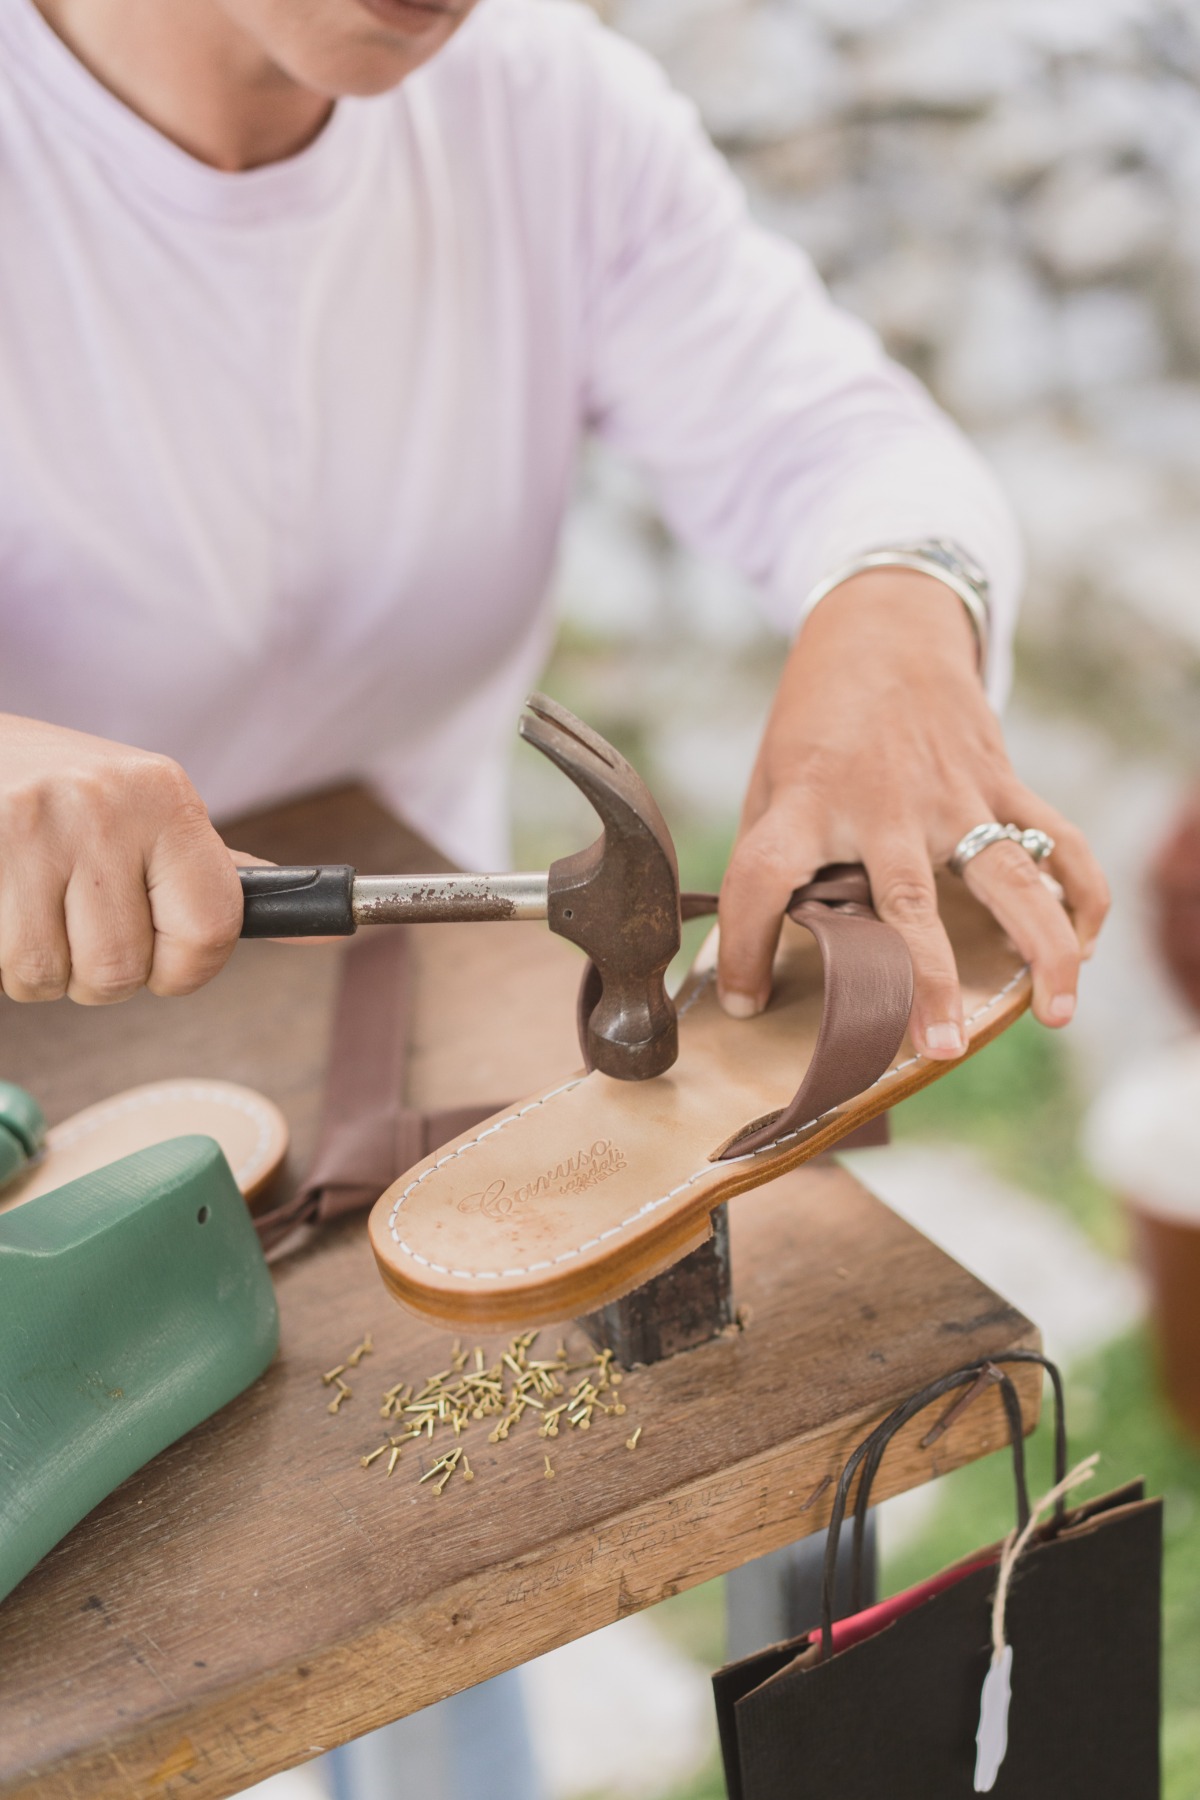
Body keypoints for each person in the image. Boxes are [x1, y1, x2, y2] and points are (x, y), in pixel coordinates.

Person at [0, 0, 1108, 1794]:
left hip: (409, 1020)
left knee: (451, 1633)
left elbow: (844, 436)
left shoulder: (541, 109)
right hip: (36, 1112)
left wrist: (899, 609)